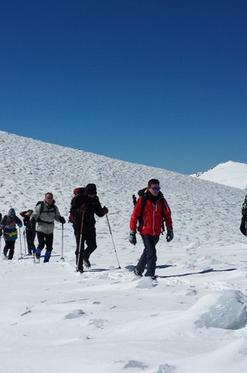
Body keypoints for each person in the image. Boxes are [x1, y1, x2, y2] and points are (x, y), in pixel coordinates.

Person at [129, 178, 173, 279]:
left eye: (158, 188)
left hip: (156, 232)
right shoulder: (142, 200)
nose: (156, 190)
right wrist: (132, 232)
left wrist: (170, 230)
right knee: (152, 253)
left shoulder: (161, 200)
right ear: (149, 188)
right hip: (145, 231)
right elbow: (134, 216)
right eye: (154, 188)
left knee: (148, 251)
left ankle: (138, 270)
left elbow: (167, 215)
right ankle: (150, 275)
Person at [70, 183, 108, 273]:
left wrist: (103, 211)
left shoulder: (95, 198)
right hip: (79, 225)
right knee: (80, 247)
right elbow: (72, 212)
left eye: (94, 194)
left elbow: (98, 212)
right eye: (91, 194)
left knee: (93, 245)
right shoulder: (78, 198)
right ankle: (79, 267)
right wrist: (80, 210)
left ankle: (85, 256)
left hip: (90, 224)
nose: (92, 196)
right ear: (87, 192)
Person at [32, 192, 65, 262]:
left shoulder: (55, 208)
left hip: (50, 229)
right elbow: (34, 214)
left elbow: (57, 216)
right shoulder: (40, 206)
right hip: (40, 228)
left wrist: (60, 219)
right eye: (48, 198)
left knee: (49, 247)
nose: (49, 199)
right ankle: (37, 254)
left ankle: (46, 261)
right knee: (41, 244)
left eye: (51, 198)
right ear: (45, 198)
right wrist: (35, 218)